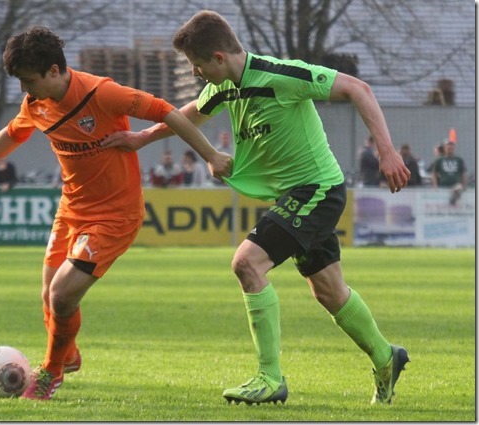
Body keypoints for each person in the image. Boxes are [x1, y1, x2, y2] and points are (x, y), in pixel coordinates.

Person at [102, 10, 411, 406]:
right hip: (295, 195)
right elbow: (188, 114)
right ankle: (386, 357)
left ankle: (269, 377)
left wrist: (387, 152)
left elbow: (358, 88)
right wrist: (140, 138)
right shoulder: (226, 86)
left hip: (317, 189)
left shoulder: (280, 75)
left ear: (218, 57)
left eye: (196, 64)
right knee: (329, 292)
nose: (195, 73)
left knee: (247, 263)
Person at [0, 26, 232, 401]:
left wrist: (210, 155)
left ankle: (50, 373)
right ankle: (67, 354)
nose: (25, 90)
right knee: (49, 296)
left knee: (62, 295)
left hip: (115, 214)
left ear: (53, 70)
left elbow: (167, 112)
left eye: (29, 80)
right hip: (71, 209)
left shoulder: (102, 93)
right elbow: (14, 132)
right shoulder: (36, 104)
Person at [431, 140, 467, 205]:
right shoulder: (439, 160)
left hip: (456, 185)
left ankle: (453, 200)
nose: (450, 149)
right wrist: (435, 185)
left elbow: (463, 173)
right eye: (448, 147)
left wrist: (464, 185)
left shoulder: (459, 160)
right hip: (443, 186)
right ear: (445, 148)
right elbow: (434, 173)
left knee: (458, 188)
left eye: (451, 147)